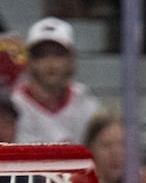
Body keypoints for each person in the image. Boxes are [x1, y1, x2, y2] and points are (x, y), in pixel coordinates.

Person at [11, 16, 101, 145]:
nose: (50, 63)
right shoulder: (14, 105)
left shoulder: (85, 102)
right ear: (30, 61)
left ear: (71, 59)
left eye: (58, 54)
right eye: (41, 55)